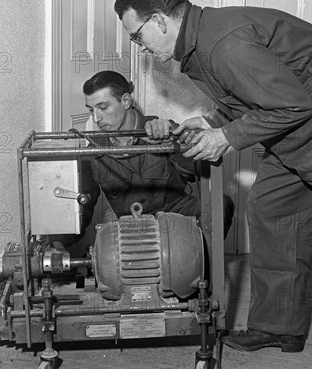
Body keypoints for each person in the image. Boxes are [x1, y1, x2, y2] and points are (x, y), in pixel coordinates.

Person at [114, 0, 312, 365]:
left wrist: (225, 138)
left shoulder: (224, 45)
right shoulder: (200, 43)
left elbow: (290, 105)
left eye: (137, 36)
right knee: (273, 210)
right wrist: (211, 122)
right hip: (297, 128)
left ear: (159, 20)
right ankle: (278, 326)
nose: (140, 46)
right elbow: (251, 94)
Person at [48, 70, 234, 250]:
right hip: (132, 225)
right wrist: (57, 243)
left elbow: (195, 169)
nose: (96, 118)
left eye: (103, 108)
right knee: (108, 263)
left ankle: (201, 273)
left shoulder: (160, 130)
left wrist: (172, 141)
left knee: (220, 204)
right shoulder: (95, 151)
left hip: (176, 214)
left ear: (126, 101)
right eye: (91, 110)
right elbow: (82, 203)